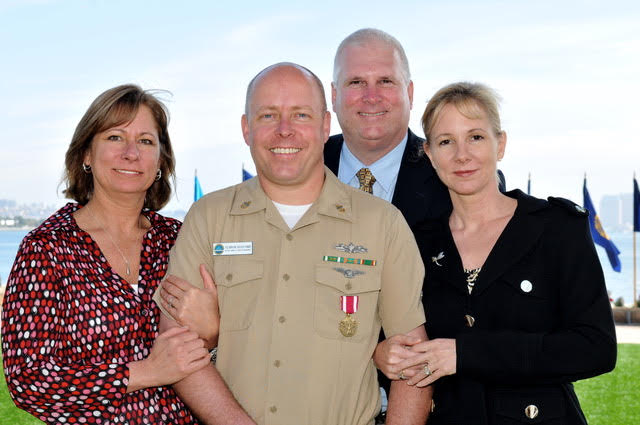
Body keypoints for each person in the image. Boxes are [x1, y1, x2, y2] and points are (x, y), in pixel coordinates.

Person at [154, 63, 431, 425]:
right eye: (268, 115)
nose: (284, 131)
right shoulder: (208, 218)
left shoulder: (382, 224)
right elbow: (178, 349)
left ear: (325, 125)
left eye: (300, 114)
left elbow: (413, 359)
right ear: (246, 128)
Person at [373, 82, 617, 424]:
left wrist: (464, 354)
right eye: (446, 142)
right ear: (429, 154)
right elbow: (392, 338)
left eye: (475, 137)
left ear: (500, 144)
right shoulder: (415, 242)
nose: (462, 155)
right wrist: (381, 354)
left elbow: (595, 349)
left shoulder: (556, 228)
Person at [1, 84, 216, 424]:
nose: (131, 153)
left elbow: (227, 358)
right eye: (115, 137)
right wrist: (144, 372)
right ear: (86, 153)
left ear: (161, 159)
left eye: (146, 141)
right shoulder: (46, 248)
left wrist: (214, 332)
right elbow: (27, 382)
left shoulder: (179, 239)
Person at [324, 28, 451, 227]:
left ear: (409, 93)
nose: (372, 97)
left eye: (385, 81)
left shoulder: (453, 172)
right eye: (356, 82)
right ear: (334, 95)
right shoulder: (305, 165)